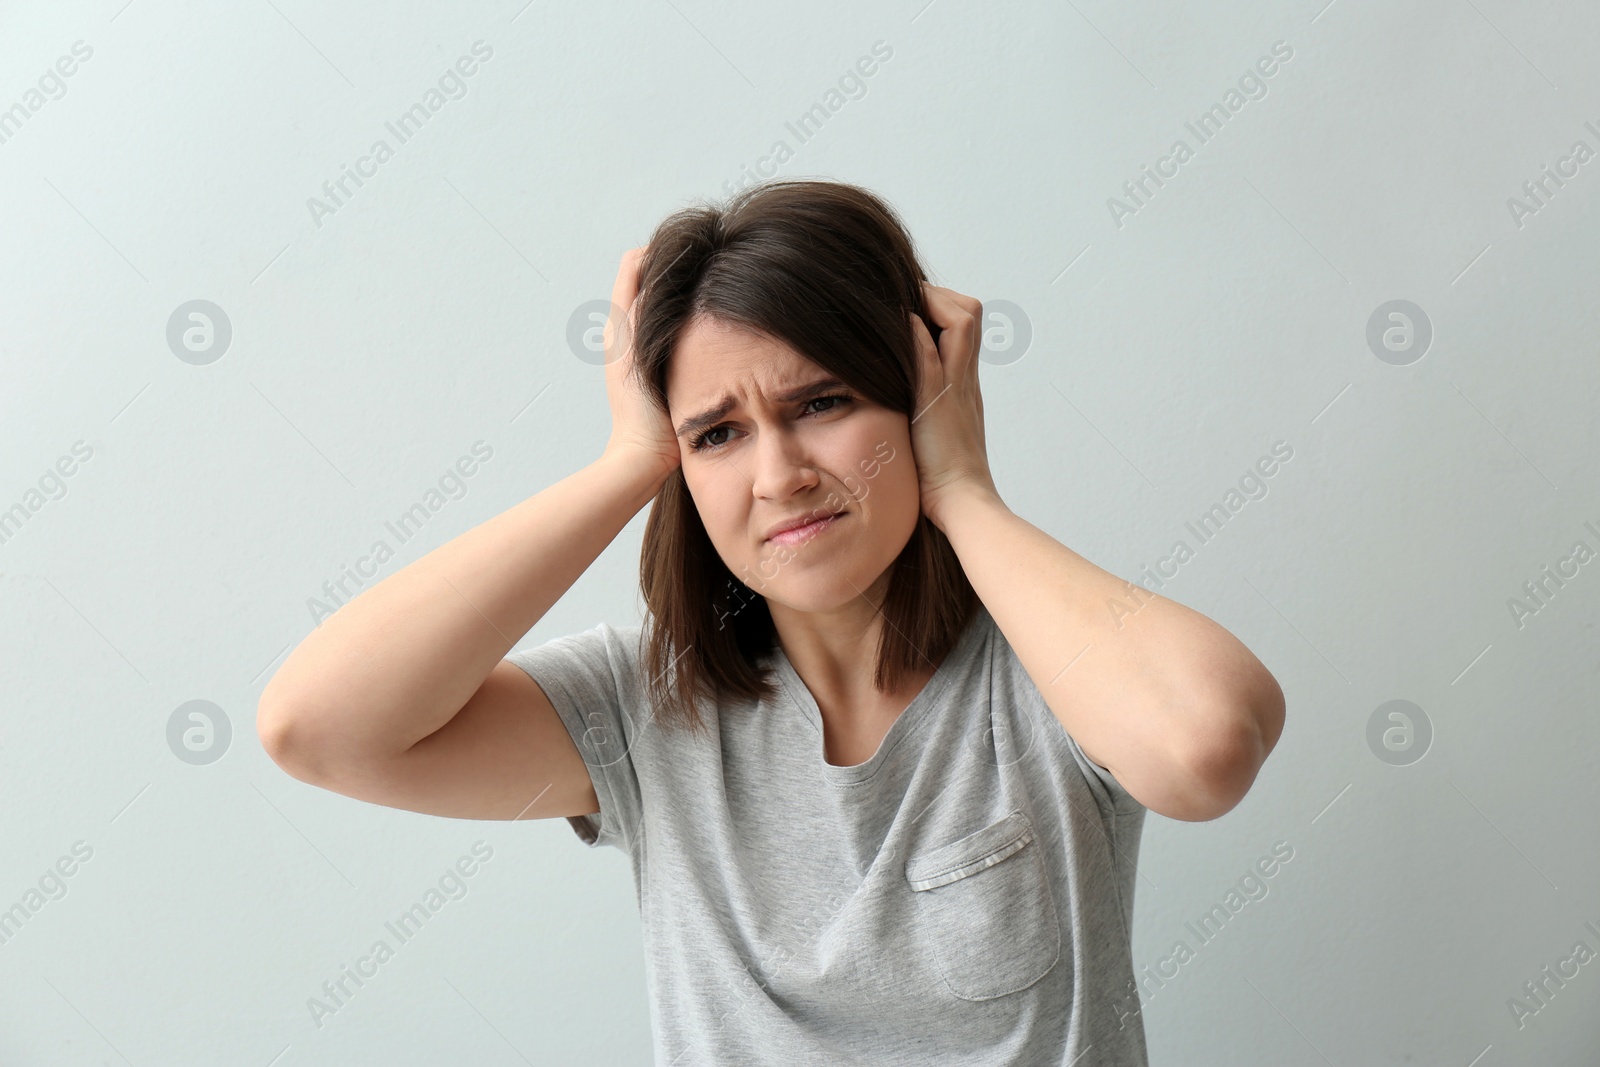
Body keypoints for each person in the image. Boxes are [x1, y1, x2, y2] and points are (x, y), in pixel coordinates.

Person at [258, 179, 1285, 1066]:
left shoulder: (1052, 676)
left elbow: (1206, 745)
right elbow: (317, 727)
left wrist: (963, 486)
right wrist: (629, 463)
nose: (779, 475)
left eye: (823, 401)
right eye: (716, 433)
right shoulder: (644, 710)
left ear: (918, 393)